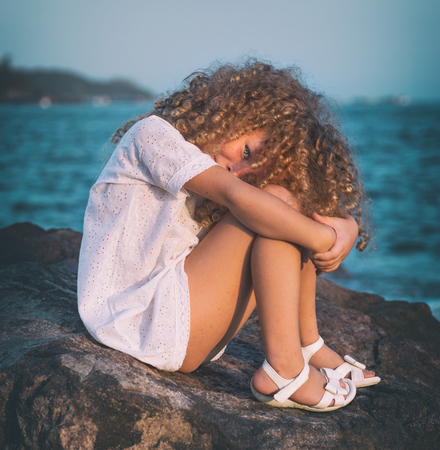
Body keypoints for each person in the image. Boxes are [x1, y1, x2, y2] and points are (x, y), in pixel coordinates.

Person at [78, 60, 379, 413]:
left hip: (185, 328)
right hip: (138, 322)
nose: (236, 170)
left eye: (250, 173)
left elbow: (288, 201)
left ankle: (307, 344)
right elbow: (238, 196)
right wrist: (325, 238)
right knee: (276, 205)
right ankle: (285, 368)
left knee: (280, 205)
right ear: (235, 112)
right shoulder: (152, 135)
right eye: (247, 152)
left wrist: (348, 226)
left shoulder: (215, 162)